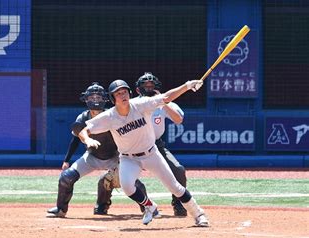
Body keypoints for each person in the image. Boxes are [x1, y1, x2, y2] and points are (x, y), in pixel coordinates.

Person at [78, 78, 209, 227]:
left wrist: (187, 85)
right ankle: (150, 206)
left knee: (175, 187)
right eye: (118, 93)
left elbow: (166, 97)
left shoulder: (140, 105)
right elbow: (83, 131)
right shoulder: (109, 117)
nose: (123, 95)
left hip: (151, 154)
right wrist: (87, 140)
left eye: (125, 92)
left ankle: (199, 214)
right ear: (113, 98)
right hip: (129, 159)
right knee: (127, 187)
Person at [47, 82, 149, 217]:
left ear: (105, 99)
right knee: (66, 178)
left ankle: (148, 208)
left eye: (98, 97)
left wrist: (133, 159)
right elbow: (76, 139)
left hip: (115, 157)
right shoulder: (82, 118)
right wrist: (67, 160)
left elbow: (128, 138)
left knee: (133, 182)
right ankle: (61, 209)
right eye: (92, 98)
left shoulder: (112, 116)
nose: (95, 101)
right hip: (92, 157)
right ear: (86, 99)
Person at [135, 72, 188, 217]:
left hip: (156, 146)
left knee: (178, 170)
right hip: (134, 147)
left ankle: (178, 204)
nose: (149, 88)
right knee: (120, 177)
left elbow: (179, 120)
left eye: (152, 86)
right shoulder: (133, 105)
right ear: (138, 90)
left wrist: (163, 102)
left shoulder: (164, 103)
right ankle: (146, 206)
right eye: (146, 86)